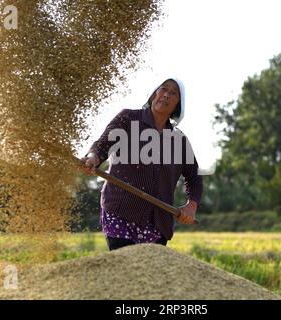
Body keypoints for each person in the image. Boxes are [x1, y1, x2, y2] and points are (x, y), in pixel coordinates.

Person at [81, 78, 203, 250]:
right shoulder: (128, 118)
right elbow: (102, 145)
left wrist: (191, 206)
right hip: (119, 211)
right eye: (163, 89)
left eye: (173, 93)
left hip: (157, 221)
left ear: (177, 105)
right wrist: (93, 157)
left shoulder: (179, 140)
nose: (166, 95)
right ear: (154, 94)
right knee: (124, 269)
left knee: (150, 275)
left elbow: (194, 177)